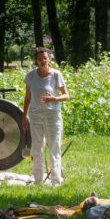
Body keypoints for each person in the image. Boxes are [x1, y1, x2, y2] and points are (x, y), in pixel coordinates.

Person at [22, 47, 69, 186]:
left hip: (52, 115)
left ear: (49, 58)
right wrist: (24, 118)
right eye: (40, 58)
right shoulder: (31, 75)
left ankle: (55, 181)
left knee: (54, 148)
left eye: (45, 57)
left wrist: (54, 99)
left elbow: (66, 96)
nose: (43, 60)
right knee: (37, 148)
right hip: (35, 115)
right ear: (36, 60)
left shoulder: (56, 75)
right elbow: (27, 98)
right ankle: (37, 181)